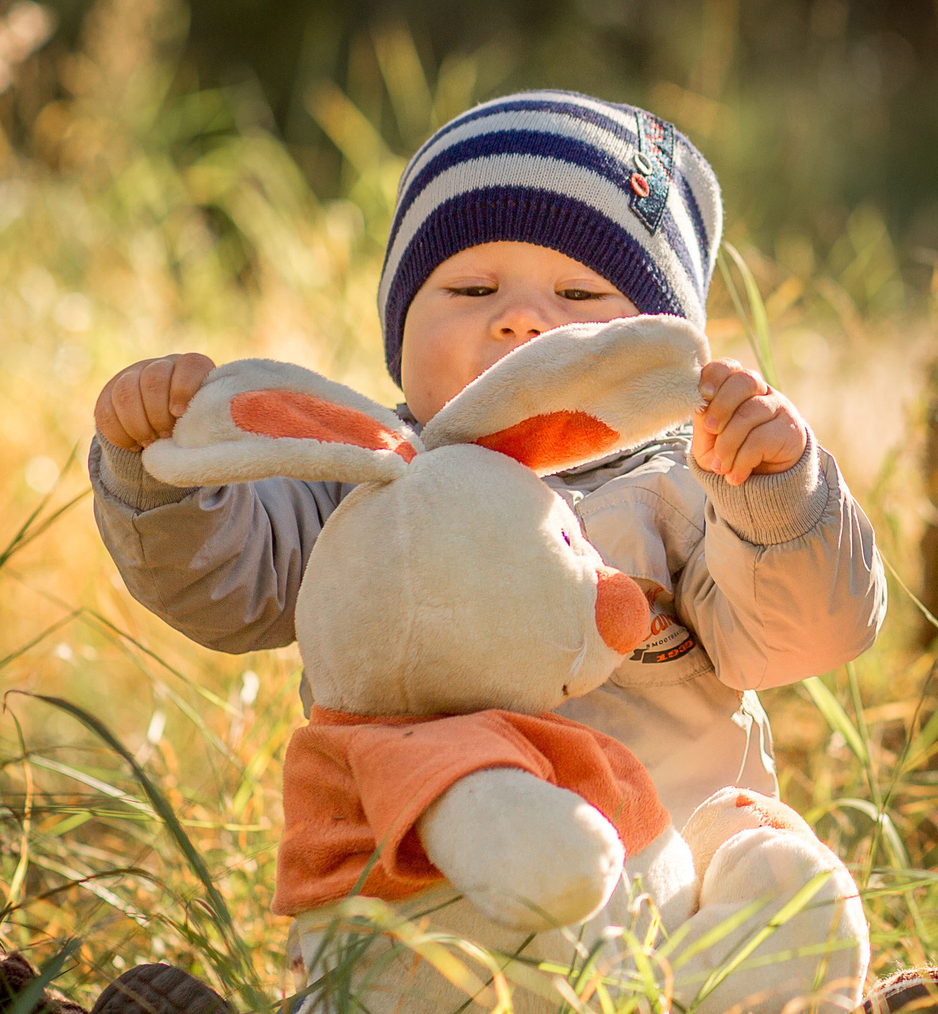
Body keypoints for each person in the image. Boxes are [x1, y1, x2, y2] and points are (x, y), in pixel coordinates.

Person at [87, 90, 884, 819]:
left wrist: (775, 496)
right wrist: (159, 472)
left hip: (664, 890)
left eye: (578, 295)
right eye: (473, 290)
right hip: (421, 886)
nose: (522, 320)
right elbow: (228, 586)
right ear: (401, 328)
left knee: (759, 900)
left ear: (653, 349)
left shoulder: (683, 484)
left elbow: (802, 635)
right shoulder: (366, 476)